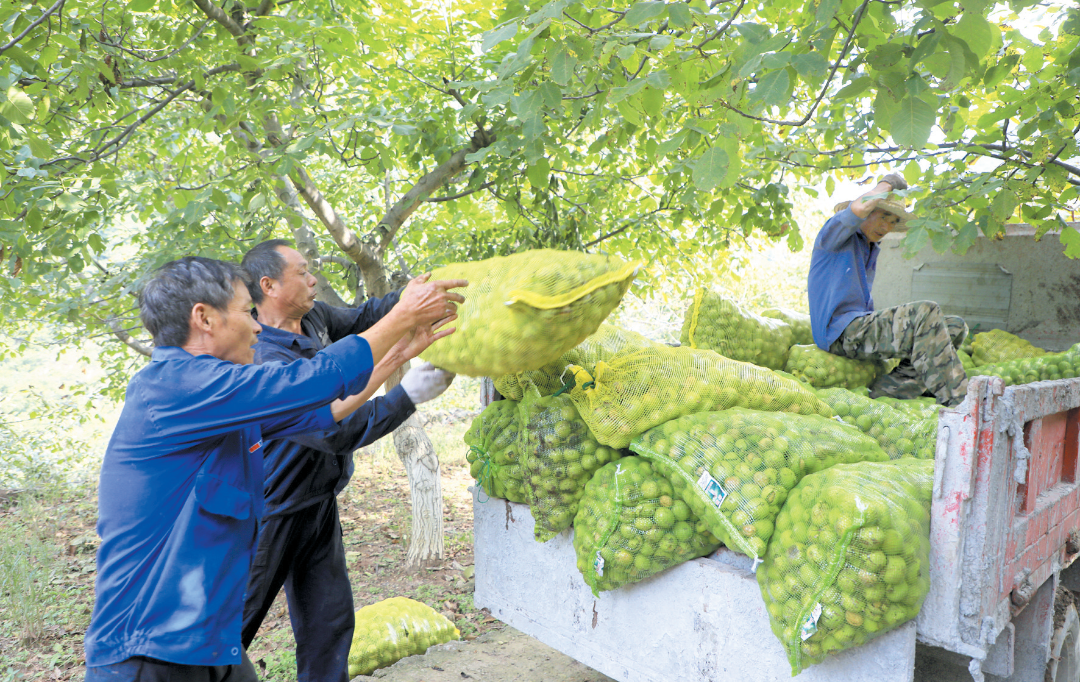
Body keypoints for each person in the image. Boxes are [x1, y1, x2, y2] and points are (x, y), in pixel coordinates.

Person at [83, 256, 465, 681]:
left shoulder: (221, 394)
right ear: (204, 319)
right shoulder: (173, 388)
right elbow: (313, 380)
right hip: (148, 653)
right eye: (247, 312)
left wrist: (397, 357)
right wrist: (402, 316)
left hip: (211, 645)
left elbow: (320, 411)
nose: (258, 326)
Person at [237, 240, 457, 681]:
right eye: (302, 272)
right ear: (270, 285)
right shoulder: (263, 358)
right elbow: (333, 430)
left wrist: (414, 295)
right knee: (230, 627)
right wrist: (407, 394)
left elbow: (363, 320)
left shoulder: (313, 318)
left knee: (330, 624)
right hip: (274, 511)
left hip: (318, 503)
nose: (313, 278)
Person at [808, 174, 969, 406]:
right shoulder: (833, 236)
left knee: (954, 326)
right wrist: (887, 184)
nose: (887, 227)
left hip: (859, 329)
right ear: (869, 211)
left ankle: (890, 391)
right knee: (926, 311)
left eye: (893, 221)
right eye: (883, 216)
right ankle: (961, 404)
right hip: (839, 334)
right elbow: (858, 207)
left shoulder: (869, 247)